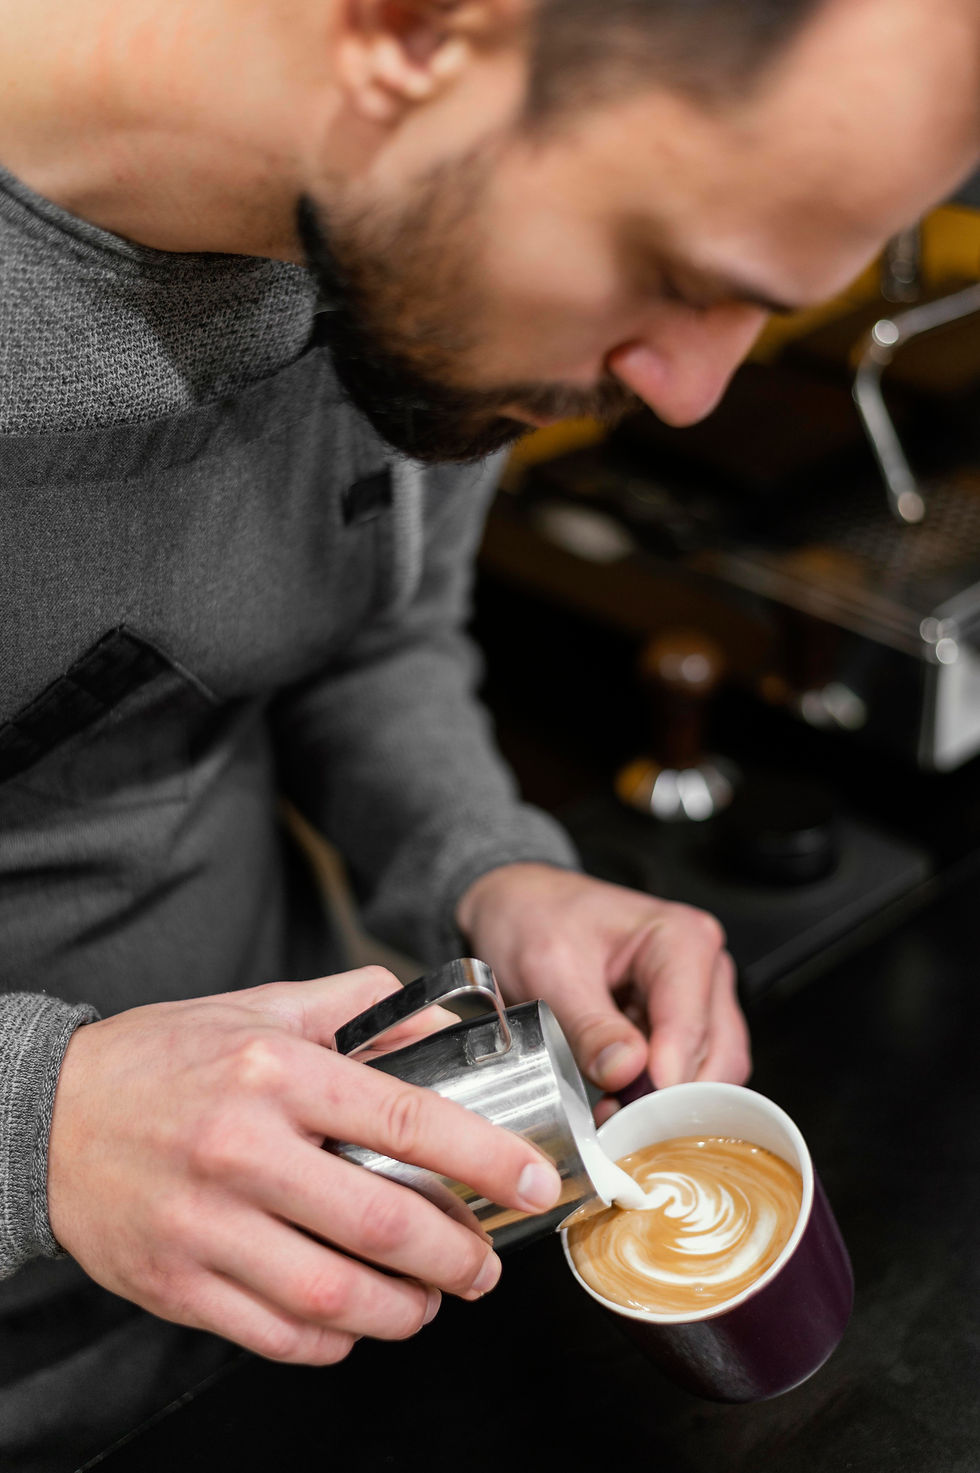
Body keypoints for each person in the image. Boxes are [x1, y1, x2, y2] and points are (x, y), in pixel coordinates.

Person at [0, 0, 978, 1465]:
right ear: (414, 32)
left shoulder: (402, 240)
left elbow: (368, 631)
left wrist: (485, 863)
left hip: (259, 1293)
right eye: (670, 270)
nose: (691, 390)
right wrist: (40, 1125)